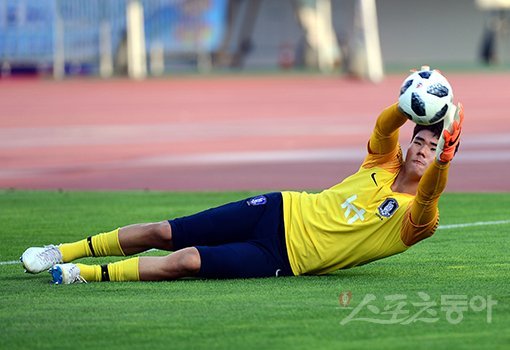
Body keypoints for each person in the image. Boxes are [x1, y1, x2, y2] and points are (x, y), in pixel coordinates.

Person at [20, 70, 464, 284]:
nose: (423, 151)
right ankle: (60, 250)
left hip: (286, 257)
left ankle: (83, 273)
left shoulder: (420, 220)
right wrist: (406, 106)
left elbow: (427, 198)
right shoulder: (382, 164)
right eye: (420, 143)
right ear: (409, 147)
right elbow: (383, 128)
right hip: (277, 208)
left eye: (433, 147)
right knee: (163, 231)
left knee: (188, 260)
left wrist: (444, 159)